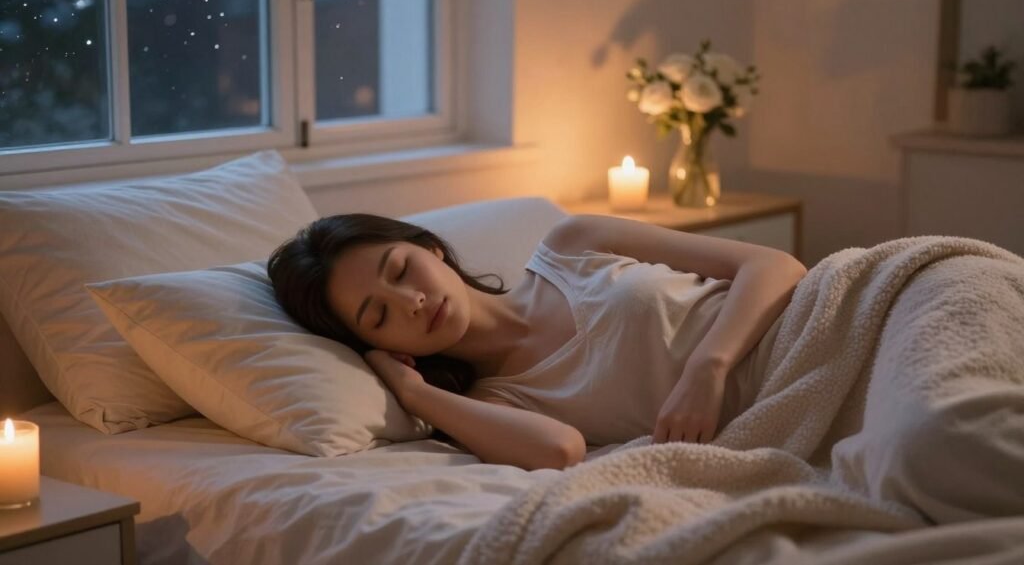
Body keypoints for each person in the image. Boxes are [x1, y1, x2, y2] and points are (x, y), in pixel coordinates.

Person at [267, 213, 807, 471]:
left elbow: (772, 264)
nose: (410, 302)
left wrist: (707, 368)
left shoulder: (573, 244)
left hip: (817, 318)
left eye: (402, 270)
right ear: (373, 345)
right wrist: (414, 394)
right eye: (378, 315)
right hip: (796, 406)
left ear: (431, 248)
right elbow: (561, 450)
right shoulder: (492, 402)